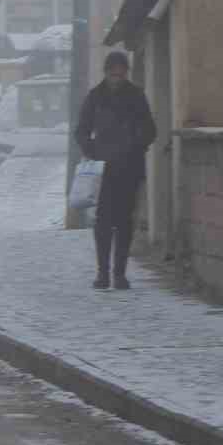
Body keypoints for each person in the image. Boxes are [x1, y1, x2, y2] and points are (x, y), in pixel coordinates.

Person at [73, 50, 156, 291]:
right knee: (103, 221)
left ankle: (119, 273)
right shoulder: (95, 97)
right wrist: (93, 152)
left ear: (126, 73)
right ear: (107, 73)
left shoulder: (136, 96)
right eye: (113, 74)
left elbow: (150, 129)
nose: (117, 78)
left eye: (121, 74)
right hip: (103, 171)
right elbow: (81, 131)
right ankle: (102, 273)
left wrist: (135, 145)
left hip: (129, 168)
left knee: (124, 221)